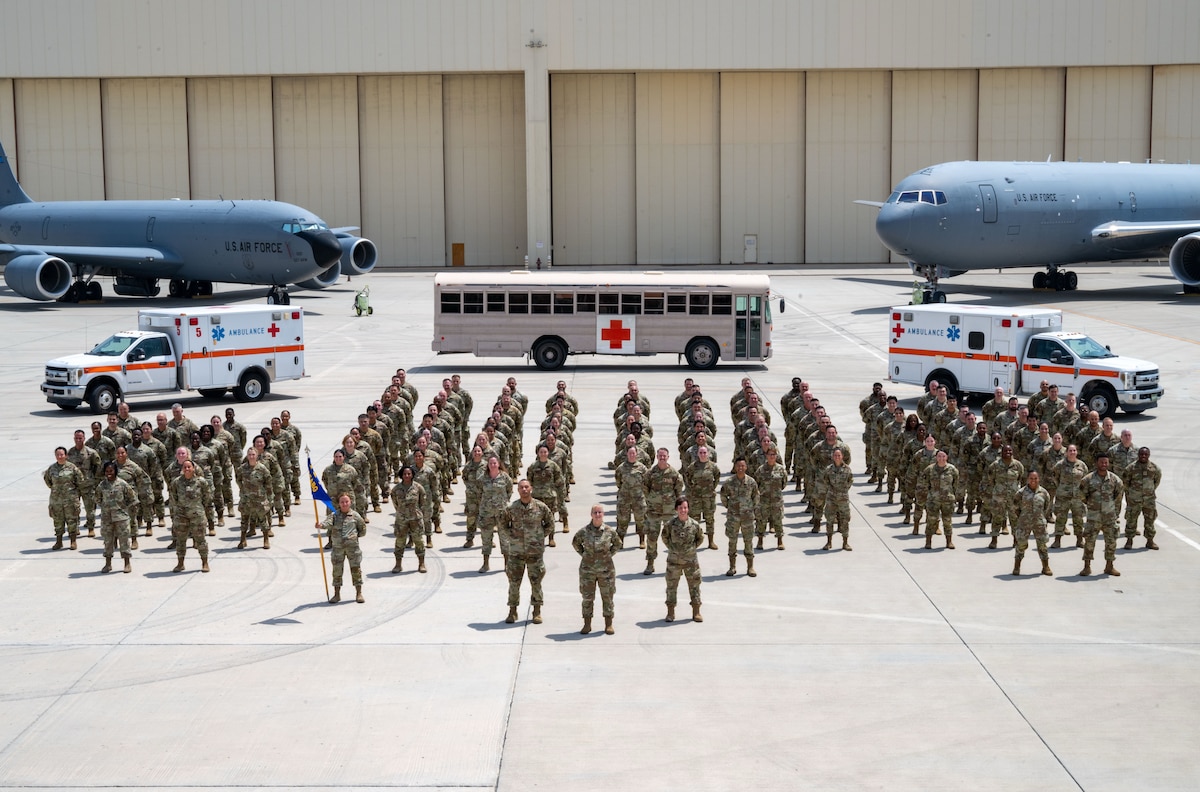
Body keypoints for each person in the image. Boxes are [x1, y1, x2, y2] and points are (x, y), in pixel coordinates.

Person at [500, 479, 554, 625]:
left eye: (526, 487)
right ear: (518, 490)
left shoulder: (541, 507)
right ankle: (512, 611)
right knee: (514, 583)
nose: (524, 489)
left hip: (534, 553)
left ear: (531, 489)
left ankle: (536, 611)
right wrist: (512, 537)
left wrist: (539, 536)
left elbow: (550, 523)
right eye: (521, 487)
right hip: (516, 553)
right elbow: (503, 524)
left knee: (536, 583)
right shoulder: (512, 508)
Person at [572, 504, 622, 635]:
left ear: (603, 514)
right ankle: (587, 624)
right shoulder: (584, 531)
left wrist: (609, 555)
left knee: (608, 597)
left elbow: (618, 543)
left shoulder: (609, 531)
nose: (598, 515)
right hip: (587, 570)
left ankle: (608, 624)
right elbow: (576, 543)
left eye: (600, 512)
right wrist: (584, 555)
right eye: (595, 512)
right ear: (591, 515)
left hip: (606, 570)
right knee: (587, 597)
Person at [1080, 453, 1125, 577]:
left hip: (1109, 517)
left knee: (1111, 542)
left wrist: (1113, 511)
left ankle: (1109, 566)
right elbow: (1082, 494)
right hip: (1093, 517)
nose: (1104, 465)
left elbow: (1118, 496)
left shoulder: (1115, 480)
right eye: (1101, 462)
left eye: (1106, 462)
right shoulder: (1088, 479)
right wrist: (1091, 504)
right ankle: (1087, 567)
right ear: (1096, 463)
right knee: (1089, 541)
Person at [662, 497, 704, 623]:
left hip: (691, 562)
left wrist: (690, 550)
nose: (683, 510)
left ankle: (696, 612)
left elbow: (700, 538)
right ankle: (670, 613)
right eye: (680, 508)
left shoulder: (695, 525)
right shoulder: (670, 525)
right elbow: (665, 537)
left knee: (694, 586)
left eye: (685, 508)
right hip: (674, 562)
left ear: (688, 509)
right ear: (676, 509)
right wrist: (673, 549)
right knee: (671, 587)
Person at [642, 448, 684, 575]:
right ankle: (650, 563)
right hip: (654, 512)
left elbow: (678, 490)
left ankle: (675, 564)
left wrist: (672, 503)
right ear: (656, 456)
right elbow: (645, 488)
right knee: (651, 538)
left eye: (664, 456)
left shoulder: (674, 474)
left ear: (668, 457)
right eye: (660, 456)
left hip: (669, 512)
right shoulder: (650, 473)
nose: (662, 458)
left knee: (673, 539)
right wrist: (651, 500)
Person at [318, 493, 367, 603]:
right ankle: (337, 594)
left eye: (346, 501)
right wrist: (320, 526)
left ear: (350, 502)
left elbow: (362, 530)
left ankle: (359, 593)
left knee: (356, 570)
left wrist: (353, 537)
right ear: (339, 504)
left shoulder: (355, 516)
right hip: (337, 549)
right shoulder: (334, 515)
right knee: (337, 571)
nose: (344, 504)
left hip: (353, 549)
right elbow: (327, 523)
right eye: (342, 502)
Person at [169, 459, 212, 573]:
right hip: (181, 515)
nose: (187, 469)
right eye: (185, 467)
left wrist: (199, 508)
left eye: (189, 467)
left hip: (197, 515)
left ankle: (205, 562)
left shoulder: (201, 482)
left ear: (194, 468)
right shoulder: (176, 482)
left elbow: (207, 496)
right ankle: (180, 563)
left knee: (200, 540)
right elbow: (173, 497)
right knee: (180, 540)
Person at [720, 457, 758, 577]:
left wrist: (750, 508)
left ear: (746, 467)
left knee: (748, 541)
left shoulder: (751, 482)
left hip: (747, 517)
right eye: (738, 466)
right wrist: (730, 508)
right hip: (733, 517)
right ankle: (732, 567)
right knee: (732, 541)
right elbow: (723, 496)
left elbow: (756, 497)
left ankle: (750, 567)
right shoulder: (729, 482)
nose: (740, 468)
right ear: (735, 467)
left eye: (742, 466)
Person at [97, 461, 138, 573]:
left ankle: (127, 563)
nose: (109, 473)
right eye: (107, 471)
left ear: (115, 471)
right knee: (108, 541)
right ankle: (108, 564)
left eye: (111, 471)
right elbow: (98, 499)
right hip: (107, 518)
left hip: (121, 518)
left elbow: (132, 499)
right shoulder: (101, 485)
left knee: (124, 541)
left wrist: (124, 510)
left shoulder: (123, 484)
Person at [1011, 470, 1053, 576]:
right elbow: (1015, 506)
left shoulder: (1044, 493)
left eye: (1035, 478)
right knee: (1020, 544)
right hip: (1024, 523)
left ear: (1039, 479)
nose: (1033, 481)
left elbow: (1047, 507)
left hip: (1039, 523)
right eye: (1031, 478)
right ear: (1027, 479)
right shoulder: (1021, 492)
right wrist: (1023, 516)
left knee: (1042, 545)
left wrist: (1041, 517)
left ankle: (1045, 566)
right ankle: (1017, 567)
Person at [476, 455, 513, 572]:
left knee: (504, 538)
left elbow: (509, 490)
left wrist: (503, 503)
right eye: (490, 463)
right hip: (486, 512)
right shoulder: (483, 478)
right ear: (488, 465)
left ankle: (507, 564)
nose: (492, 465)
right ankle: (485, 564)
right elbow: (479, 491)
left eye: (494, 463)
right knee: (486, 538)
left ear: (498, 464)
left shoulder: (504, 477)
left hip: (501, 512)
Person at [390, 465, 428, 574]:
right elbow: (395, 504)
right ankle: (398, 564)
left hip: (415, 518)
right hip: (401, 519)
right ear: (401, 475)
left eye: (409, 474)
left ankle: (421, 563)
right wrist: (402, 512)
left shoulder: (418, 487)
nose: (407, 476)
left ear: (412, 475)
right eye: (405, 474)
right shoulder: (396, 489)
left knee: (418, 541)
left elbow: (422, 502)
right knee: (400, 541)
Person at [682, 444, 721, 550]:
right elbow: (687, 477)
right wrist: (692, 488)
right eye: (701, 453)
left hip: (709, 498)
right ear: (698, 454)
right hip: (696, 497)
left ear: (708, 454)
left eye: (705, 453)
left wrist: (713, 487)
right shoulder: (693, 466)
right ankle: (694, 541)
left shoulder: (713, 466)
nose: (703, 454)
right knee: (695, 519)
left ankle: (711, 541)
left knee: (710, 519)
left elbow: (717, 476)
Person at [917, 450, 958, 549]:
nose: (941, 458)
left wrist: (953, 496)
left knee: (947, 521)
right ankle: (928, 542)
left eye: (943, 456)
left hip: (947, 500)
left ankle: (949, 542)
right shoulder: (930, 469)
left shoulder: (952, 469)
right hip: (933, 500)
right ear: (936, 457)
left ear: (946, 457)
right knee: (931, 520)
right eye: (939, 456)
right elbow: (924, 483)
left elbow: (955, 484)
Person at [44, 446, 84, 550]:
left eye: (61, 454)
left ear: (66, 456)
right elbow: (48, 481)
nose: (59, 456)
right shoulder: (51, 469)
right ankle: (59, 541)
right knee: (58, 521)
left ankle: (73, 541)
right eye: (57, 455)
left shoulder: (72, 468)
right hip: (56, 500)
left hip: (70, 500)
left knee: (72, 520)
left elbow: (80, 481)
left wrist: (72, 492)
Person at [1122, 447, 1161, 550]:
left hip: (1149, 500)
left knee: (1150, 521)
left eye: (1146, 454)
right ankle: (1129, 541)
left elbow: (1156, 482)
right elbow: (1125, 482)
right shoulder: (1131, 468)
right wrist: (1132, 494)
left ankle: (1150, 541)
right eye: (1141, 454)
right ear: (1138, 455)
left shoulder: (1154, 468)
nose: (1143, 456)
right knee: (1131, 520)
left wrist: (1148, 492)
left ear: (1149, 455)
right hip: (1135, 500)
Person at [236, 447, 273, 549]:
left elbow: (268, 482)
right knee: (244, 520)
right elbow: (238, 479)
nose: (251, 457)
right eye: (249, 455)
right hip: (246, 499)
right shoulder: (242, 468)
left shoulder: (262, 469)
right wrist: (243, 489)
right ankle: (243, 540)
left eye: (253, 455)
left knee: (263, 520)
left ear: (257, 456)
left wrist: (268, 498)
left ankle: (266, 539)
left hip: (259, 499)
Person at [614, 446, 648, 549]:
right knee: (622, 519)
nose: (632, 455)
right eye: (630, 453)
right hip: (624, 498)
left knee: (641, 519)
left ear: (636, 454)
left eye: (633, 453)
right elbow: (618, 482)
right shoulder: (621, 468)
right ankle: (620, 541)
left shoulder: (642, 468)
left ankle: (642, 540)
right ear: (627, 454)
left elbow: (646, 482)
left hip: (638, 498)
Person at [820, 448, 855, 551]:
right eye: (835, 455)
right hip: (831, 498)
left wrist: (842, 491)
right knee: (829, 519)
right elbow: (825, 481)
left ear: (842, 457)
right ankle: (829, 542)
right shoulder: (829, 469)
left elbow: (850, 481)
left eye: (839, 455)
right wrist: (833, 491)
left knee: (845, 519)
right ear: (832, 457)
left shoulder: (847, 469)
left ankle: (845, 543)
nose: (837, 457)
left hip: (843, 498)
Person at [753, 446, 787, 550]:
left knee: (778, 520)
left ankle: (780, 541)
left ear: (776, 456)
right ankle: (760, 541)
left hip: (776, 500)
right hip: (764, 500)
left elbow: (783, 483)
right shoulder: (761, 469)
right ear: (766, 456)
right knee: (761, 521)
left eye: (773, 455)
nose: (771, 457)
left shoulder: (781, 469)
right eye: (769, 455)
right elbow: (756, 483)